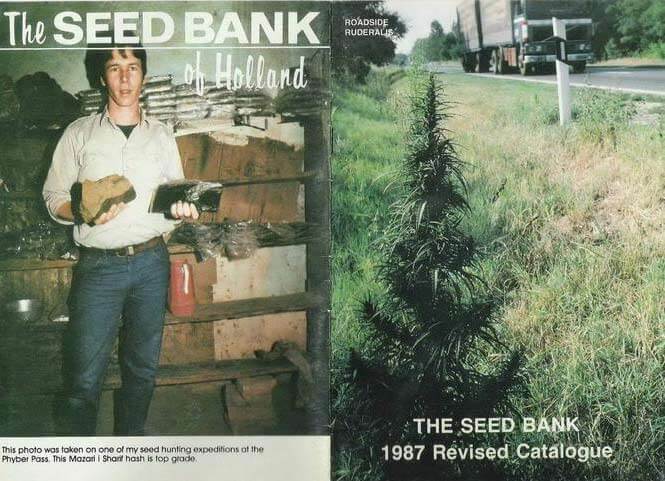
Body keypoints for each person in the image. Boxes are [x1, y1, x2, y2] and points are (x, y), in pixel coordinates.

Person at [42, 37, 198, 435]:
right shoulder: (79, 133)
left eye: (132, 67)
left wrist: (180, 209)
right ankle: (79, 462)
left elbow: (173, 195)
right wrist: (79, 210)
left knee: (142, 368)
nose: (125, 77)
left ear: (144, 76)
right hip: (99, 269)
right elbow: (52, 196)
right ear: (102, 76)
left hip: (151, 263)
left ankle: (129, 450)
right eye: (115, 67)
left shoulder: (162, 135)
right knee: (83, 375)